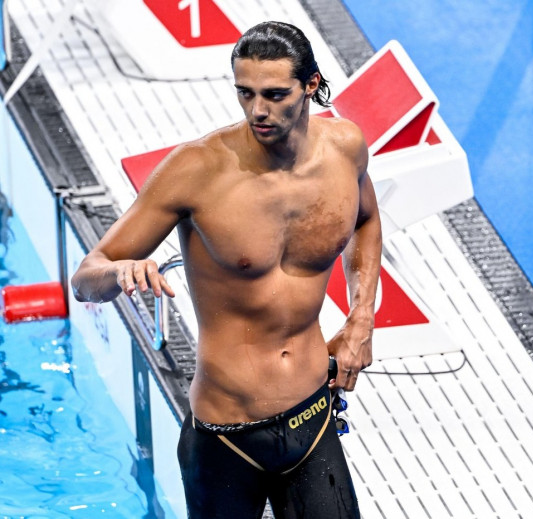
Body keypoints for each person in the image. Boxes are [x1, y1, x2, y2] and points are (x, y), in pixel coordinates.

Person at [71, 21, 381, 518]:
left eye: (275, 94)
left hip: (313, 417)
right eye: (245, 93)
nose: (258, 109)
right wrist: (121, 272)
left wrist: (361, 319)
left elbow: (366, 217)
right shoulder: (196, 170)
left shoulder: (344, 147)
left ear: (310, 85)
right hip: (226, 437)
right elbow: (88, 277)